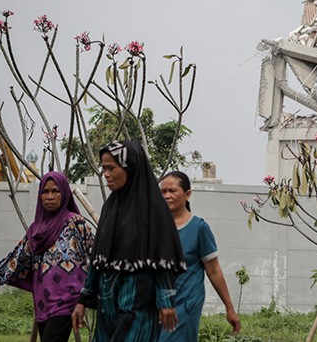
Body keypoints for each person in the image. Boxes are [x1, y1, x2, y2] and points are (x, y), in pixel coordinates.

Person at [72, 140, 186, 341]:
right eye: (104, 168)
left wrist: (166, 301)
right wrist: (83, 299)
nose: (106, 174)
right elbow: (98, 259)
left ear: (129, 167)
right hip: (108, 303)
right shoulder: (110, 208)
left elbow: (162, 260)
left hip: (139, 303)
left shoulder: (154, 210)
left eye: (111, 168)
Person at [0, 171, 93, 342]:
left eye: (55, 191)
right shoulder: (36, 230)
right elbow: (15, 260)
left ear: (65, 193)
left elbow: (98, 256)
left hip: (68, 302)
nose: (50, 196)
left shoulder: (76, 223)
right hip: (43, 304)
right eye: (45, 192)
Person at [159, 170, 241, 341]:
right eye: (163, 191)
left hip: (185, 304)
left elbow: (214, 271)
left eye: (172, 191)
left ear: (187, 194)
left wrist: (229, 308)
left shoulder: (198, 228)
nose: (167, 195)